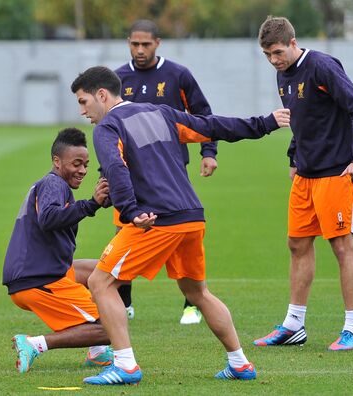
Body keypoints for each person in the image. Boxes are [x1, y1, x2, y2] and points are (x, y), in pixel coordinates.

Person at [70, 66, 290, 385]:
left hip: (156, 220)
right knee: (196, 291)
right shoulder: (162, 113)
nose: (82, 111)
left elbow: (116, 170)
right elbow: (212, 126)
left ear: (101, 95)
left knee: (100, 282)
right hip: (191, 216)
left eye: (83, 101)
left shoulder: (108, 128)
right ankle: (240, 363)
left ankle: (125, 365)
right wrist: (264, 123)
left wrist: (130, 211)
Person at [253, 16, 353, 351]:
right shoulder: (283, 74)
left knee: (341, 246)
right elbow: (301, 119)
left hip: (337, 172)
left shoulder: (322, 66)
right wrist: (294, 157)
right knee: (297, 244)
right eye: (267, 55)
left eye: (277, 52)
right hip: (306, 175)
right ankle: (294, 325)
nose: (274, 60)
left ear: (293, 43)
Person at [114, 19, 219, 325]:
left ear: (158, 42)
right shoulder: (118, 78)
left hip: (170, 166)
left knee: (179, 230)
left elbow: (202, 115)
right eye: (134, 44)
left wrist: (208, 152)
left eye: (146, 44)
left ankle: (191, 303)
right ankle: (124, 302)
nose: (140, 50)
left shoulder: (177, 75)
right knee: (125, 228)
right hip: (130, 169)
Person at [2, 128, 115, 373]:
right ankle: (35, 344)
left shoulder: (50, 185)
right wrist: (92, 204)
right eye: (76, 164)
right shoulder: (53, 183)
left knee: (102, 270)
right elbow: (49, 218)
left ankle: (96, 352)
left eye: (86, 164)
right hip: (38, 280)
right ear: (57, 161)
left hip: (36, 273)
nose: (83, 170)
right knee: (111, 328)